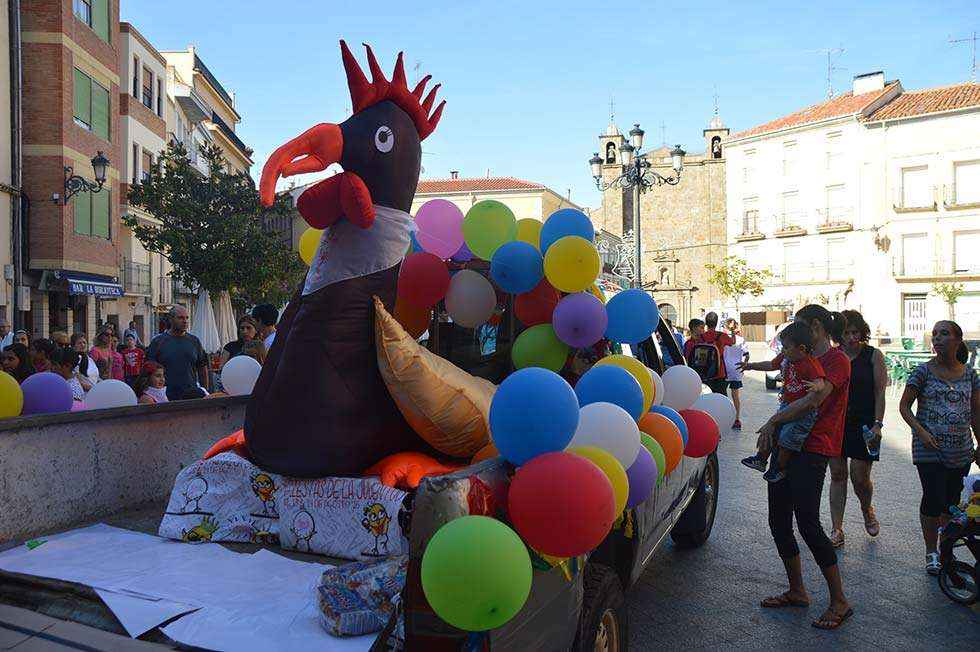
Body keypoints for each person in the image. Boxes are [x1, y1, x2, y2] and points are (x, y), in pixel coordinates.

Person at [751, 304, 852, 630]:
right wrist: (774, 431)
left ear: (816, 327)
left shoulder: (837, 361)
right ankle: (797, 590)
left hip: (814, 447)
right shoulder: (794, 358)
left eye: (799, 328)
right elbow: (786, 392)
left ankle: (840, 600)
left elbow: (814, 400)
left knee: (807, 521)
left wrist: (773, 421)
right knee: (778, 519)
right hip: (786, 443)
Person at [899, 320, 980, 575]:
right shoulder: (922, 372)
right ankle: (931, 551)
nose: (937, 338)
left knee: (952, 502)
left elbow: (976, 412)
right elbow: (904, 407)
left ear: (958, 340)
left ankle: (946, 548)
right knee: (933, 499)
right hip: (929, 448)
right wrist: (920, 431)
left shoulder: (970, 374)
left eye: (944, 334)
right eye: (935, 334)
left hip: (961, 449)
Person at [741, 322, 828, 482]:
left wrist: (816, 385)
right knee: (771, 432)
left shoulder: (810, 363)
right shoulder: (786, 357)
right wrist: (751, 366)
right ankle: (760, 458)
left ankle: (779, 468)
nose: (783, 350)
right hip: (786, 404)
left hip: (802, 411)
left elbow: (821, 382)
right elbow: (771, 365)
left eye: (786, 347)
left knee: (788, 437)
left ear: (801, 349)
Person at [830, 310, 886, 546]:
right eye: (846, 332)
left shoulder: (873, 355)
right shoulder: (833, 356)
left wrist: (878, 424)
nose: (852, 337)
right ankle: (837, 529)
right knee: (838, 475)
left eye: (855, 332)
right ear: (838, 335)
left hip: (865, 424)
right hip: (835, 423)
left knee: (860, 477)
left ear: (862, 333)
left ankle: (866, 509)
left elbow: (879, 392)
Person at [147, 305, 210, 401]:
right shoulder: (158, 342)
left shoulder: (194, 341)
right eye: (180, 318)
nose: (185, 321)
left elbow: (202, 368)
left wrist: (205, 391)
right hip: (165, 397)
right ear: (171, 319)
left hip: (192, 396)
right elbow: (149, 371)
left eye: (187, 318)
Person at [686, 312, 734, 394]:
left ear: (706, 323)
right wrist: (732, 330)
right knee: (721, 396)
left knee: (706, 395)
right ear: (716, 323)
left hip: (704, 371)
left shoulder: (700, 337)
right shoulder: (722, 336)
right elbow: (732, 342)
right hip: (720, 371)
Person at [724, 318, 749, 430]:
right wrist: (745, 365)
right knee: (735, 396)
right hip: (736, 370)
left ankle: (724, 417)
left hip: (723, 370)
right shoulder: (741, 340)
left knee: (722, 395)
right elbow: (747, 354)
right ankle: (737, 419)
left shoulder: (722, 338)